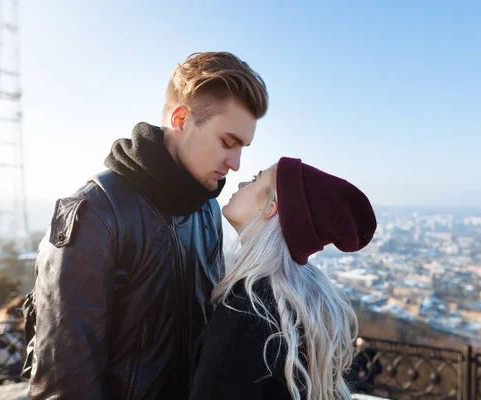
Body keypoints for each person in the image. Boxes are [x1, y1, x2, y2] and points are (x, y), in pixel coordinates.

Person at [26, 52, 268, 399]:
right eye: (227, 143)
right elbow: (64, 379)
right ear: (181, 118)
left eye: (242, 147)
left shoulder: (207, 211)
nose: (235, 163)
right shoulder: (96, 213)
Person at [189, 157, 377, 400]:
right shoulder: (289, 308)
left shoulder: (246, 316)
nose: (241, 183)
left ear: (270, 207)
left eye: (256, 179)